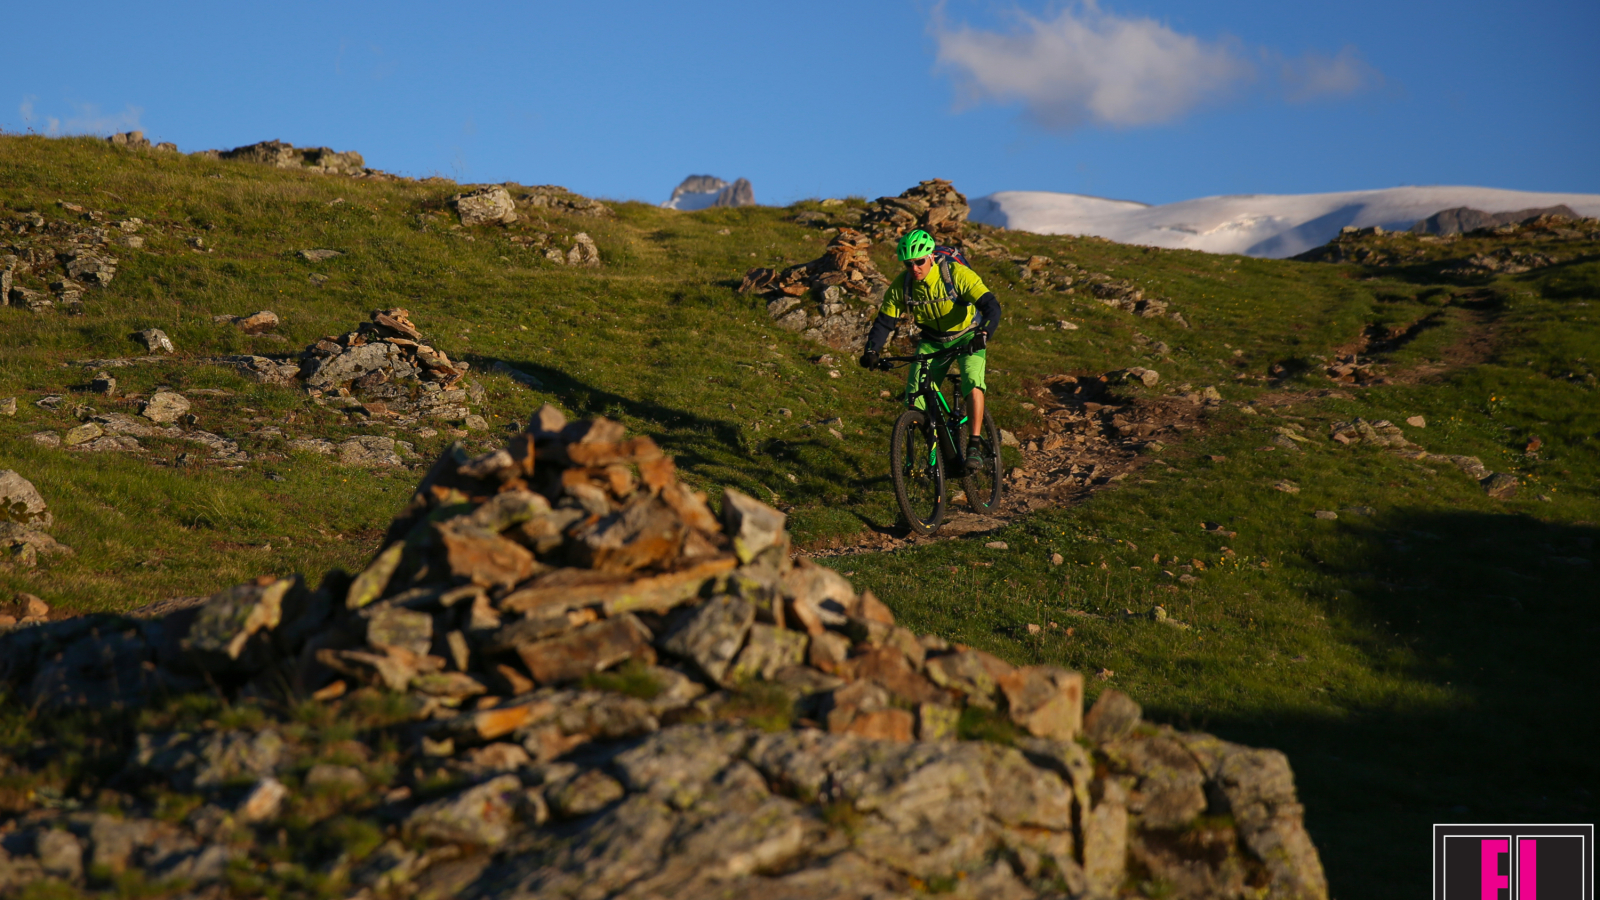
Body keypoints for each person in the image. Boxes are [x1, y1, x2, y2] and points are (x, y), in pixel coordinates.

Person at [858, 228, 1002, 471]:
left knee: (972, 381)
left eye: (919, 261)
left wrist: (984, 333)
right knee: (914, 397)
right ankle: (933, 454)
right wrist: (872, 351)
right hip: (932, 340)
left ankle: (975, 446)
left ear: (931, 257)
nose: (914, 268)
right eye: (908, 264)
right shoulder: (902, 286)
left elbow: (991, 306)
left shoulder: (955, 274)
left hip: (968, 335)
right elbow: (885, 322)